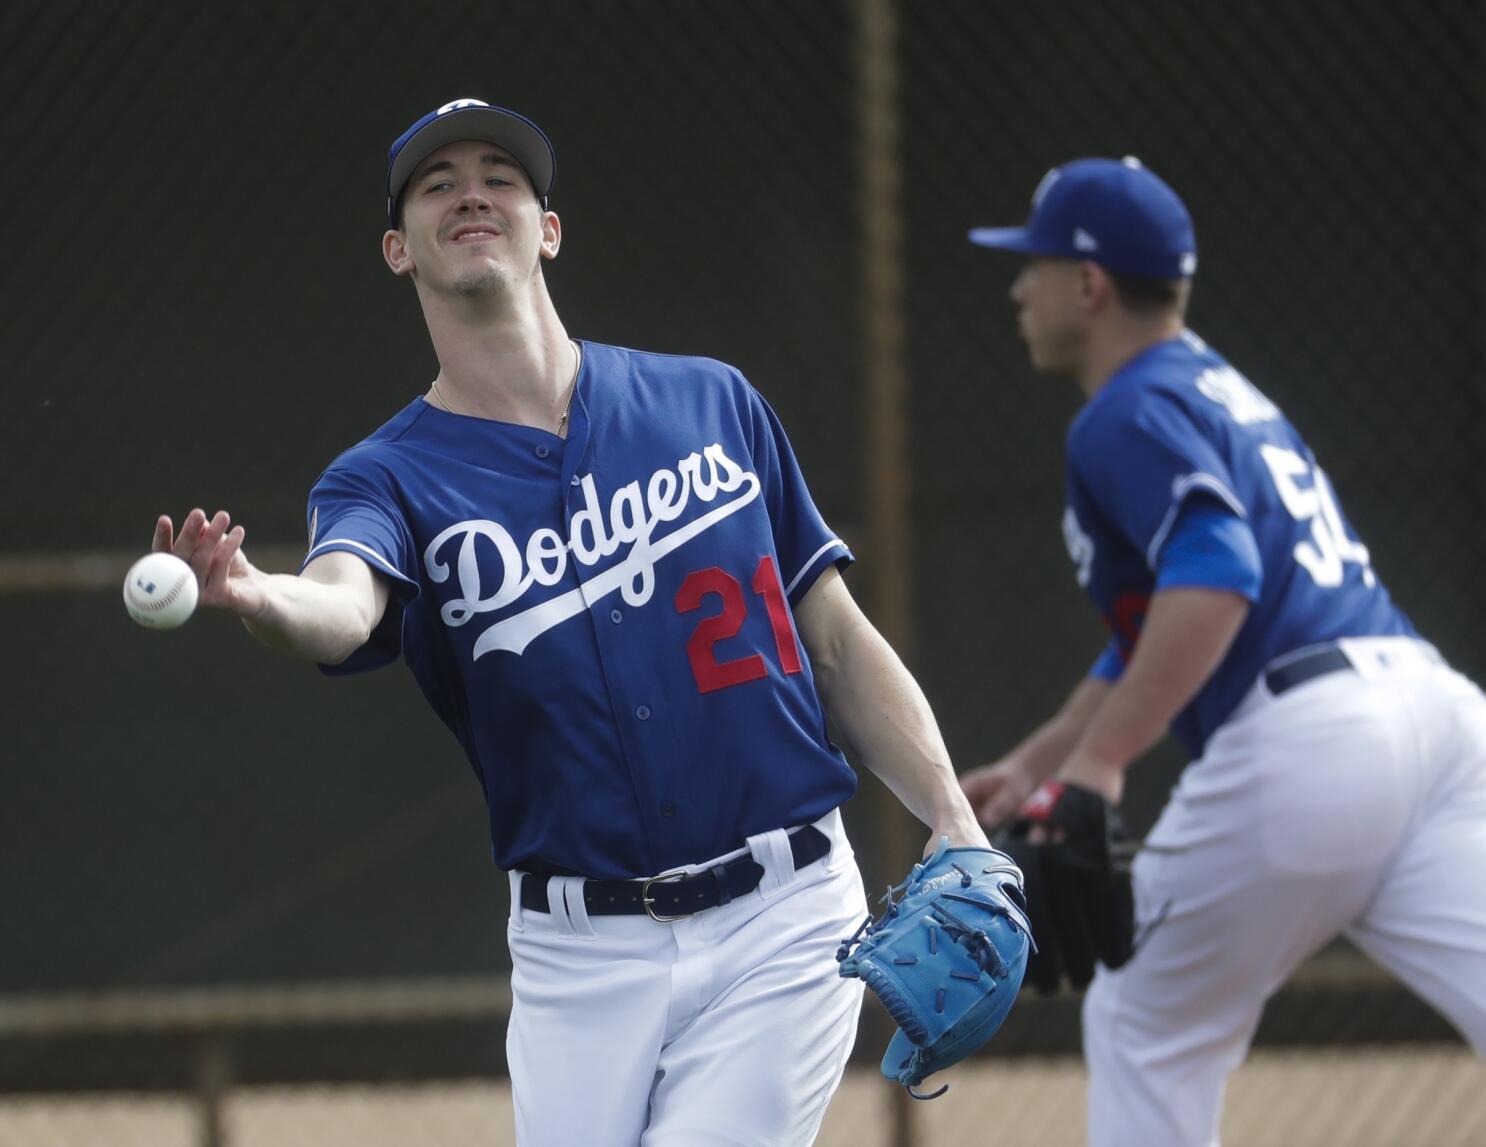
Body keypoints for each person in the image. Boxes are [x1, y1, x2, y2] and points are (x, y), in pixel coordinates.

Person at [151, 98, 997, 1146]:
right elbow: (339, 603)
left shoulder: (711, 404)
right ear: (395, 249)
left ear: (547, 228)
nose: (471, 191)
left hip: (783, 917)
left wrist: (953, 817)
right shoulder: (387, 478)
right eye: (437, 182)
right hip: (577, 959)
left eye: (500, 175)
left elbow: (833, 636)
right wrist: (253, 594)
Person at [960, 157, 1486, 1146]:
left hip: (1313, 745)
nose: (1018, 286)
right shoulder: (1213, 385)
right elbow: (1164, 622)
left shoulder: (1118, 411)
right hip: (1434, 715)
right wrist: (1047, 754)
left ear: (1091, 285)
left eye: (1034, 263)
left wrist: (1098, 766)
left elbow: (1216, 575)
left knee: (1145, 1020)